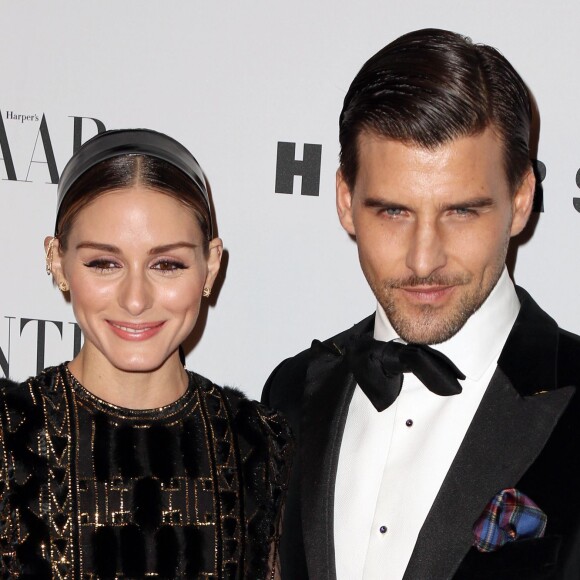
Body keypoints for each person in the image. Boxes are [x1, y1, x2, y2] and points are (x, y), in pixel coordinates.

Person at [263, 28, 580, 579]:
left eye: (462, 212)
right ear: (345, 200)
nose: (423, 259)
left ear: (521, 200)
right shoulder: (292, 393)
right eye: (393, 212)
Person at [0, 128, 291, 578]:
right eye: (104, 263)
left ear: (211, 266)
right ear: (57, 261)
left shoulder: (259, 445)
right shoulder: (6, 436)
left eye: (167, 265)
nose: (135, 299)